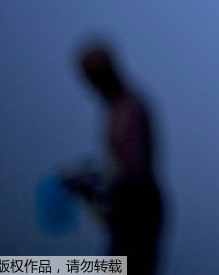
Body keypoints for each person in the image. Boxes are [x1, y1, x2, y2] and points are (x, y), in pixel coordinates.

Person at [62, 44, 163, 274]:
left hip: (138, 209)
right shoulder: (116, 108)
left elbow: (135, 170)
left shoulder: (129, 108)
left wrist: (95, 183)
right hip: (130, 207)